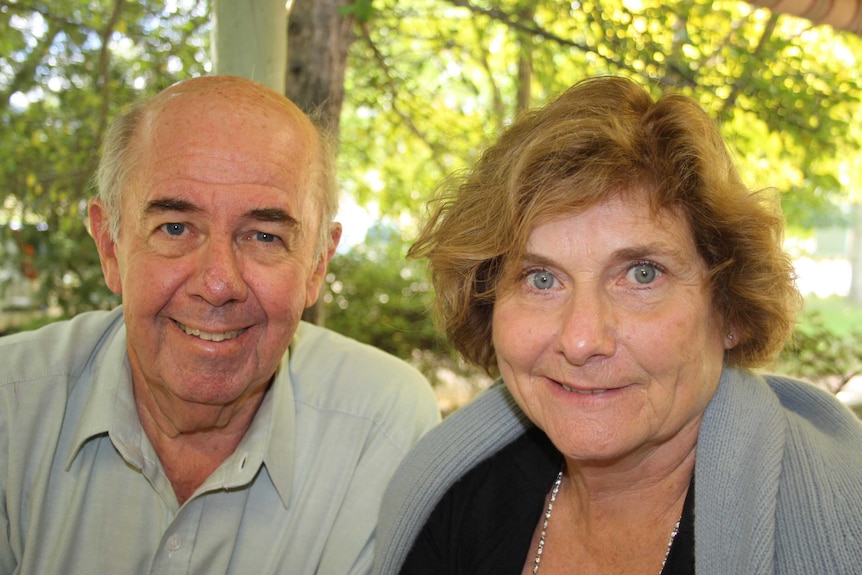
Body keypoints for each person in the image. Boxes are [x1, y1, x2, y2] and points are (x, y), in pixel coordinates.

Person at [373, 75, 862, 575]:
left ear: (730, 310)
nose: (581, 340)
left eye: (642, 275)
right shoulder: (453, 495)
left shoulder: (845, 521)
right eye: (541, 279)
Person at [0, 75, 440, 575]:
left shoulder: (382, 427)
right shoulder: (11, 410)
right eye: (175, 228)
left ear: (317, 265)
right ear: (109, 246)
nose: (217, 283)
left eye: (265, 237)